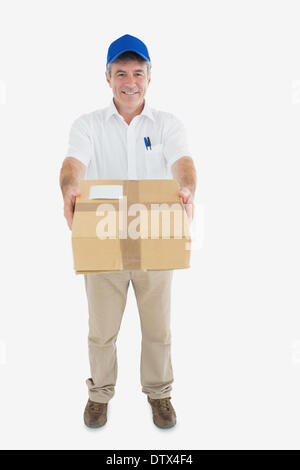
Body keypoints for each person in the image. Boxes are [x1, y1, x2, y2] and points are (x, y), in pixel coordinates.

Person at [59, 34, 197, 429]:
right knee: (102, 330)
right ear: (107, 78)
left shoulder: (168, 124)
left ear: (149, 78)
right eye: (121, 72)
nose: (130, 81)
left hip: (156, 237)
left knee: (158, 329)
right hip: (103, 239)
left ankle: (159, 395)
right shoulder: (87, 125)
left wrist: (187, 189)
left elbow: (183, 163)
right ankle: (99, 394)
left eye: (138, 72)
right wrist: (69, 187)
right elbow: (73, 164)